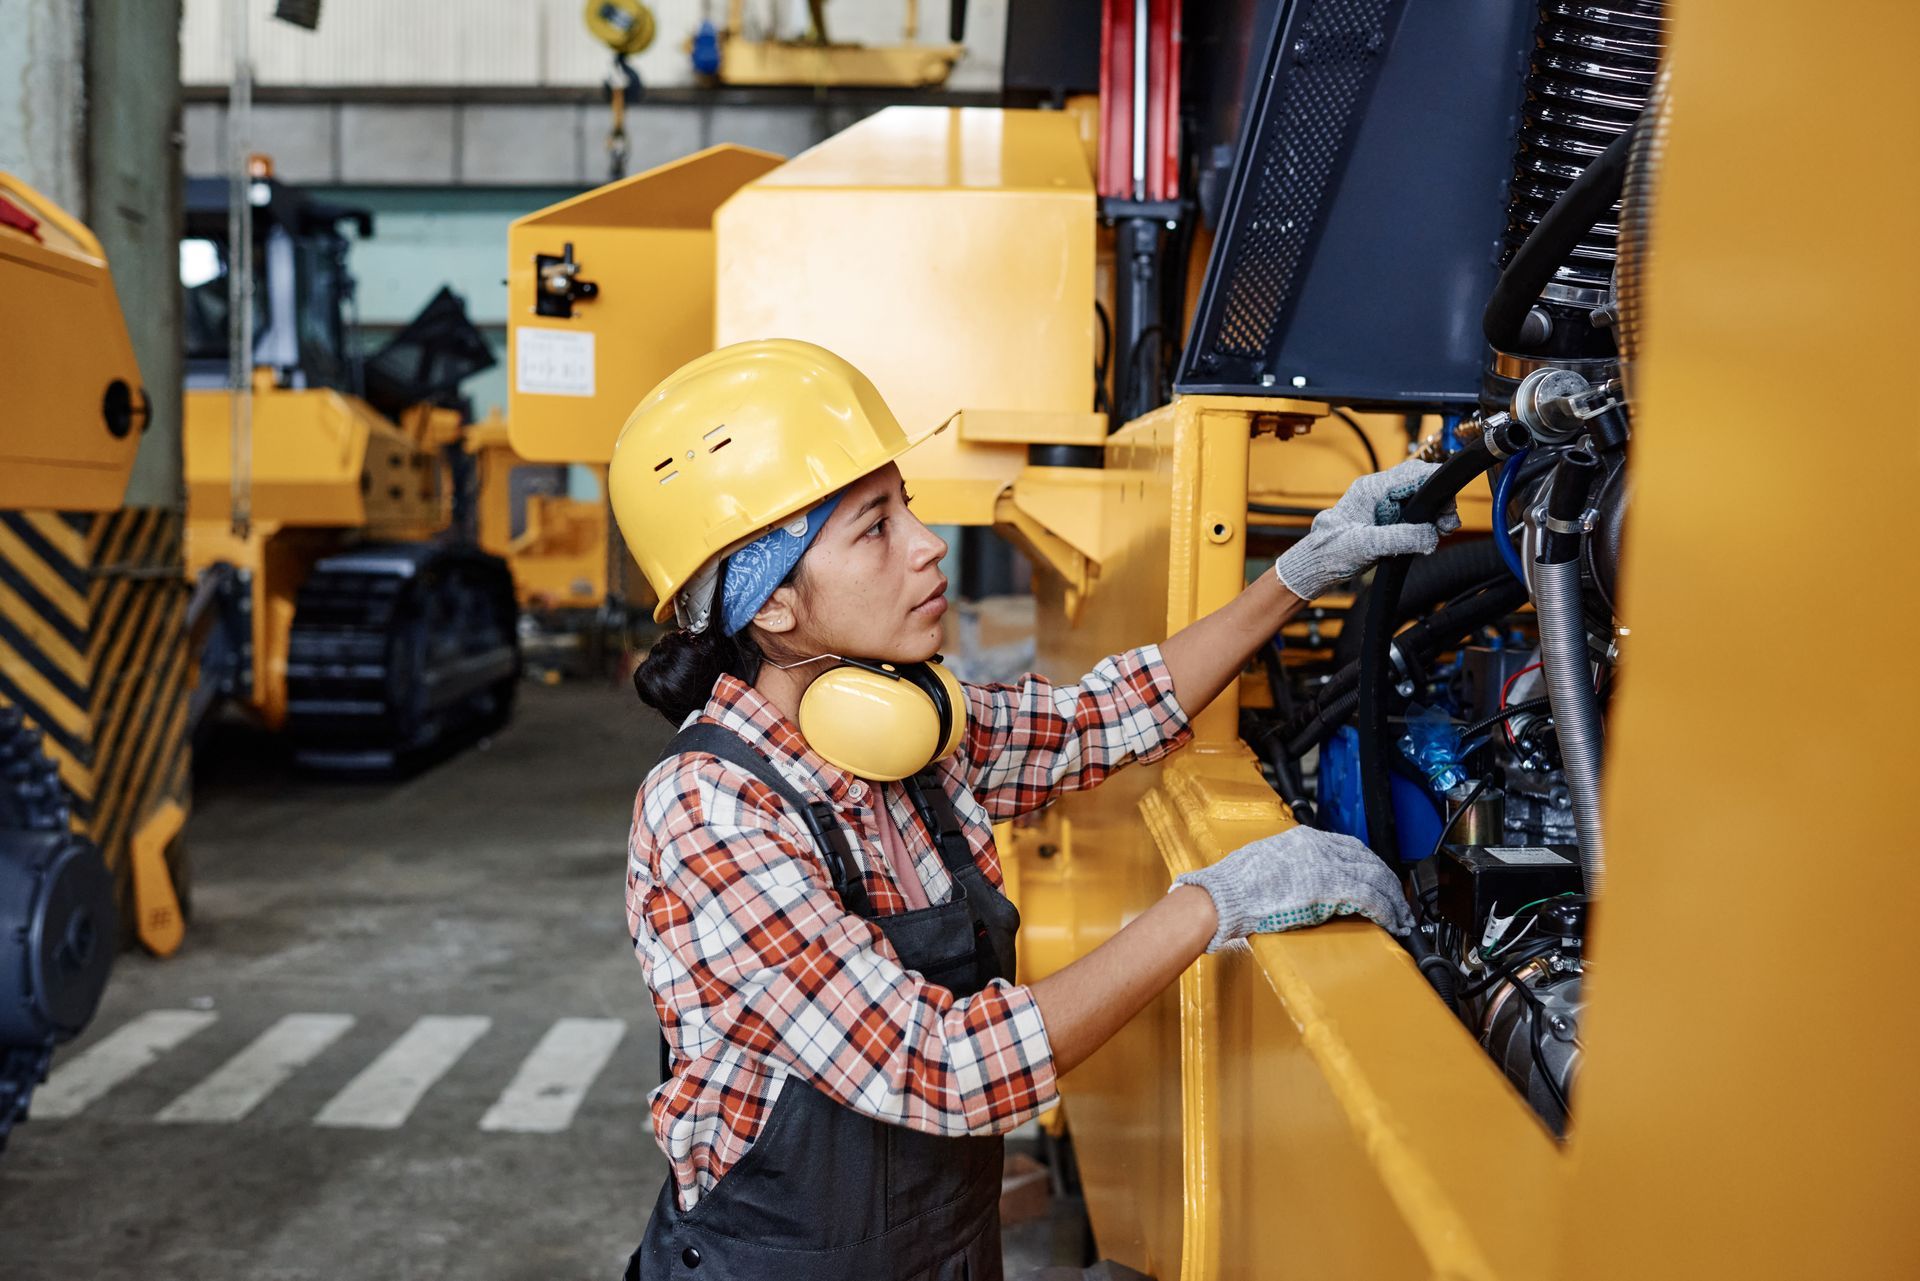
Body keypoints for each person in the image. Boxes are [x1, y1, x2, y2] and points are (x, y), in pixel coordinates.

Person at [610, 340, 1454, 1280]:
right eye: (875, 527)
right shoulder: (712, 810)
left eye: (909, 508)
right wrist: (1216, 901)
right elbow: (941, 1067)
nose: (928, 545)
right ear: (769, 602)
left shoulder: (908, 730)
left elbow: (1111, 713)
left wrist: (1303, 569)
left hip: (947, 1250)